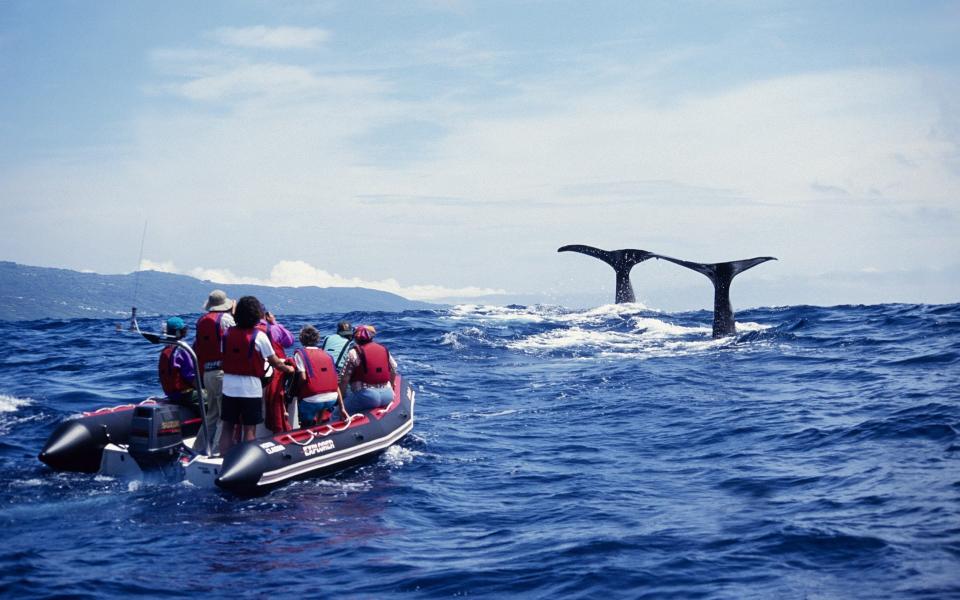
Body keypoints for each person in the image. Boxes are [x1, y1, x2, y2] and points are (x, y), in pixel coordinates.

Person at [220, 296, 295, 455]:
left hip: (228, 385)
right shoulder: (259, 336)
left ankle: (223, 457)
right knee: (250, 427)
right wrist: (289, 370)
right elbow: (275, 363)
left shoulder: (226, 334)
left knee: (228, 426)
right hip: (250, 387)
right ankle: (247, 458)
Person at [191, 289, 235, 453]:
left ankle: (199, 448)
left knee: (211, 414)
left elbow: (197, 347)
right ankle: (217, 450)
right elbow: (237, 338)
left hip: (207, 372)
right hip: (222, 373)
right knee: (225, 415)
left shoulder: (201, 321)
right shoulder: (226, 319)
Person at [293, 325, 349, 426]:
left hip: (311, 401)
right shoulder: (328, 356)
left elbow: (303, 378)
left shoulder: (300, 354)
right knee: (321, 405)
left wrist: (296, 391)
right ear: (318, 340)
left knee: (306, 416)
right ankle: (319, 424)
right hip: (331, 399)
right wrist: (342, 407)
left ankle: (307, 428)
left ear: (301, 339)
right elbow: (335, 383)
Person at [340, 325, 398, 413]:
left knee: (336, 413)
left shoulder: (354, 353)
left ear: (356, 338)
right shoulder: (384, 349)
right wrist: (392, 385)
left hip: (367, 396)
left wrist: (341, 399)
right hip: (387, 394)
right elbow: (393, 368)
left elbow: (344, 380)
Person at [257, 307, 296, 432]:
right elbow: (289, 341)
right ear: (265, 315)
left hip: (255, 372)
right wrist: (275, 323)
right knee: (278, 402)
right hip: (276, 371)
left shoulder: (247, 330)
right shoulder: (273, 328)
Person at [158, 317, 197, 404]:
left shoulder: (166, 350)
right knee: (211, 397)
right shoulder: (182, 349)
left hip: (171, 395)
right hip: (184, 395)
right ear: (178, 332)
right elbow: (191, 376)